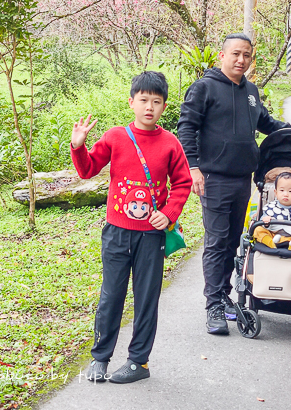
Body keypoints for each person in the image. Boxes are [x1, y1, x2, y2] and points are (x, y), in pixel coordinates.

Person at [71, 71, 192, 384]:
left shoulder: (170, 143)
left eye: (156, 102)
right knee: (111, 296)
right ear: (131, 102)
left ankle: (139, 362)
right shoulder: (115, 136)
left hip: (151, 236)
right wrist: (78, 146)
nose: (149, 107)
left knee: (146, 298)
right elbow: (87, 170)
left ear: (164, 106)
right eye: (143, 100)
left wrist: (168, 214)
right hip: (116, 233)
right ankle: (100, 358)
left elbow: (183, 183)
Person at [176, 34, 288, 336]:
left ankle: (223, 295)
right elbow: (186, 126)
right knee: (216, 241)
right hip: (213, 178)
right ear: (222, 56)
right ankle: (213, 305)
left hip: (242, 179)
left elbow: (266, 123)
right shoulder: (204, 87)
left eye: (247, 55)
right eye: (236, 54)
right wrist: (193, 167)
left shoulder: (251, 91)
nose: (241, 60)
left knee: (232, 240)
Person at [252, 172, 291, 251]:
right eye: (282, 190)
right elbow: (262, 221)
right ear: (276, 193)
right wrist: (266, 221)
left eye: (290, 191)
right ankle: (272, 243)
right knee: (258, 230)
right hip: (273, 235)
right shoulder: (270, 207)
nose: (286, 194)